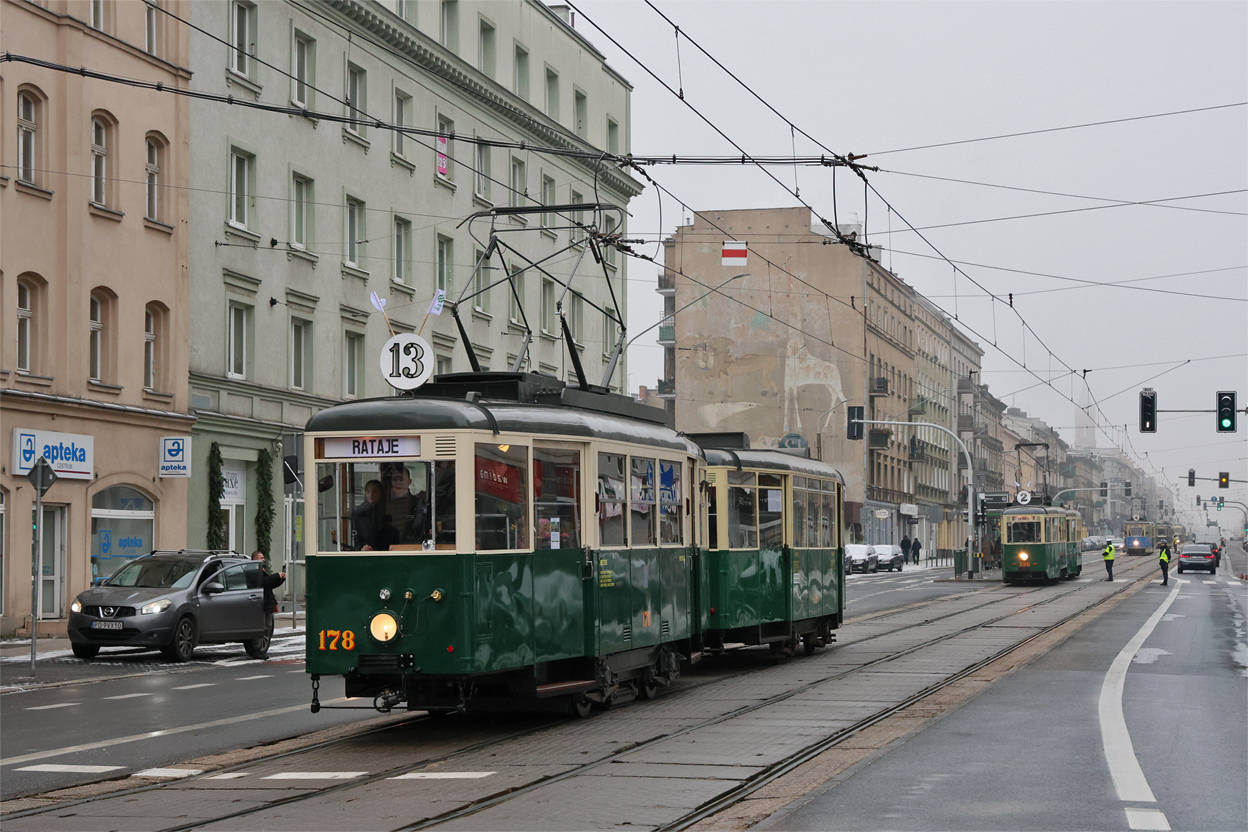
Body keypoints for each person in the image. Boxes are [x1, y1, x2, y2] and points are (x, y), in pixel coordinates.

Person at [251, 551, 286, 643]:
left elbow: (269, 584)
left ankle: (263, 646)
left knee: (268, 626)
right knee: (262, 626)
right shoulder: (254, 571)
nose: (264, 560)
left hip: (267, 603)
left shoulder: (261, 570)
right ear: (255, 559)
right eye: (261, 558)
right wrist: (277, 576)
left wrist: (280, 579)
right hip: (261, 603)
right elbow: (265, 581)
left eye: (263, 558)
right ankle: (257, 647)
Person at [353, 479, 386, 551]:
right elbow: (357, 534)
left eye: (375, 491)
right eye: (368, 491)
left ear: (381, 492)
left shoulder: (387, 510)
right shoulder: (359, 512)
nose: (371, 495)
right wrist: (362, 547)